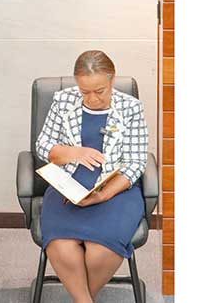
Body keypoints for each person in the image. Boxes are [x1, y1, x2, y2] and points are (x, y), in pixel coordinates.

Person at [35, 50, 148, 303]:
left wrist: (102, 196)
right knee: (61, 245)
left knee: (101, 250)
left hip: (116, 190)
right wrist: (73, 152)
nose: (92, 99)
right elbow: (42, 146)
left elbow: (136, 162)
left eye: (100, 91)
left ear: (112, 80)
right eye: (85, 91)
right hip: (68, 188)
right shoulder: (63, 101)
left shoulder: (130, 108)